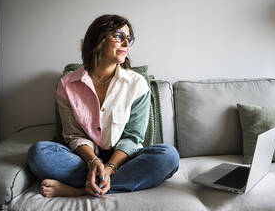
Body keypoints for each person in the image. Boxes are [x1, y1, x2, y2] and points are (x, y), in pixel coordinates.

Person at [27, 14, 180, 197]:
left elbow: (132, 138)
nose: (127, 44)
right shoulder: (67, 84)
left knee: (168, 156)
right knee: (39, 152)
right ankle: (102, 183)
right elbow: (73, 135)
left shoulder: (137, 84)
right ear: (98, 38)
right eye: (119, 36)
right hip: (83, 158)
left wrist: (109, 168)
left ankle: (80, 190)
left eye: (129, 38)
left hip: (124, 160)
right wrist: (93, 162)